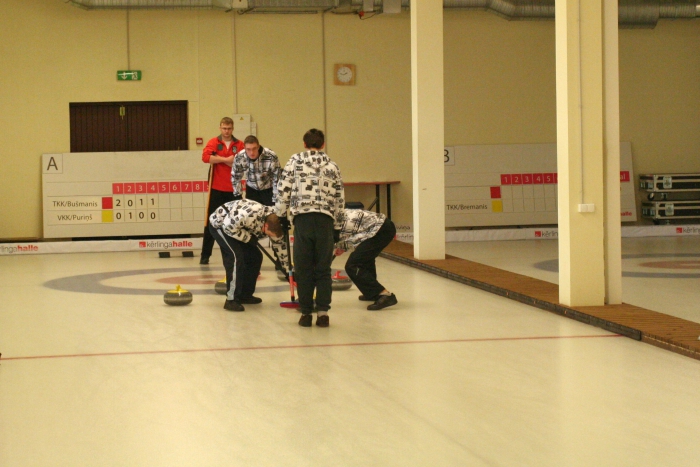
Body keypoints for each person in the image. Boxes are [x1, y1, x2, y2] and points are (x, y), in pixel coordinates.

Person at [276, 129, 345, 328]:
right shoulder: (333, 166)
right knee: (323, 269)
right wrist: (337, 227)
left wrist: (281, 215)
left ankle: (306, 313)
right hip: (325, 221)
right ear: (323, 145)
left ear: (304, 144)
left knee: (303, 269)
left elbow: (283, 190)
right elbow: (340, 199)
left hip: (303, 220)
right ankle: (323, 313)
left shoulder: (294, 162)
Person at [209, 199, 287, 312]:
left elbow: (280, 246)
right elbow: (228, 228)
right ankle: (231, 300)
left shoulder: (275, 221)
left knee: (255, 257)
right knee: (235, 257)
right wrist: (248, 238)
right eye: (268, 234)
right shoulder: (248, 215)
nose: (269, 237)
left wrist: (287, 270)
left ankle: (245, 295)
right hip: (221, 224)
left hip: (240, 228)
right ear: (265, 226)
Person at [200, 117, 245, 265]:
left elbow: (242, 160)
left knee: (237, 221)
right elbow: (205, 157)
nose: (226, 131)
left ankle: (239, 253)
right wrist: (226, 160)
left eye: (229, 128)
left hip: (234, 189)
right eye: (224, 128)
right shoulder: (214, 142)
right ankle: (205, 255)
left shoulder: (239, 144)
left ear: (233, 128)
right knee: (211, 222)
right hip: (216, 189)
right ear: (220, 128)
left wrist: (218, 159)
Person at [334, 209, 398, 310]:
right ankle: (371, 293)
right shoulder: (330, 217)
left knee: (353, 265)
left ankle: (384, 295)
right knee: (365, 260)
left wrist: (342, 246)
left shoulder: (329, 224)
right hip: (379, 227)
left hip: (381, 229)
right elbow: (351, 233)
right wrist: (342, 247)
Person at [231, 135, 281, 207]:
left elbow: (277, 178)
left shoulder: (271, 156)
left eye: (254, 148)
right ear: (244, 148)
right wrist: (238, 197)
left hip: (268, 190)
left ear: (258, 147)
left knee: (270, 213)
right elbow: (236, 177)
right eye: (248, 149)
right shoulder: (239, 157)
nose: (252, 152)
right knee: (252, 213)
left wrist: (276, 197)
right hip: (251, 190)